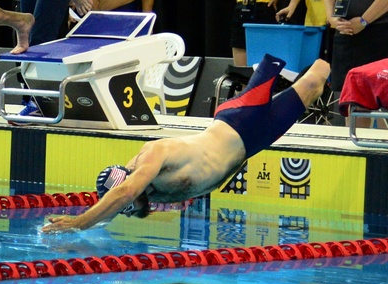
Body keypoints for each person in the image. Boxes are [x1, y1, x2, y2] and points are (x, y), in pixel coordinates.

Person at [43, 55, 330, 231]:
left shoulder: (152, 157)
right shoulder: (148, 194)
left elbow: (125, 194)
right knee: (312, 87)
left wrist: (78, 223)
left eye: (125, 204)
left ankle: (342, 39)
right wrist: (85, 225)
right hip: (253, 140)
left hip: (241, 120)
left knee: (303, 76)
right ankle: (332, 51)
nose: (130, 209)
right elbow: (117, 204)